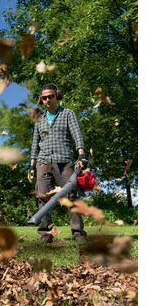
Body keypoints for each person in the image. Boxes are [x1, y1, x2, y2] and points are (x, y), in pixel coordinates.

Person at [30, 84, 88, 244]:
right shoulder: (39, 119)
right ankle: (45, 233)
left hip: (64, 160)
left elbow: (77, 133)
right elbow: (35, 141)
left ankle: (78, 232)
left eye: (50, 96)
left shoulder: (67, 113)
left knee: (72, 196)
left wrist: (81, 153)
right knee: (42, 196)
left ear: (57, 96)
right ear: (41, 100)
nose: (47, 99)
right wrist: (32, 162)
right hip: (43, 161)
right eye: (44, 97)